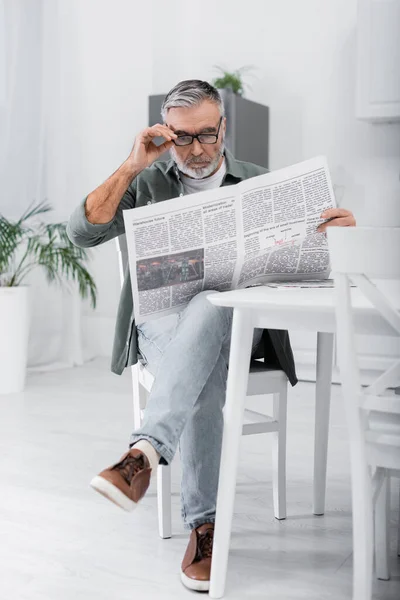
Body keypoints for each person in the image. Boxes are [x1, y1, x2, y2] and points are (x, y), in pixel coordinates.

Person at [66, 80, 356, 592]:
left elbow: (314, 265)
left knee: (211, 306)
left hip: (238, 326)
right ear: (165, 133)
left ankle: (143, 457)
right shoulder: (148, 181)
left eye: (208, 135)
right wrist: (132, 164)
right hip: (160, 324)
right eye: (183, 138)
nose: (198, 150)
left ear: (224, 126)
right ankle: (205, 525)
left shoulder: (261, 182)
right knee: (204, 350)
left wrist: (341, 234)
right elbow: (81, 232)